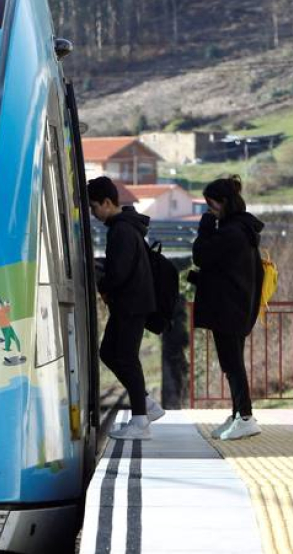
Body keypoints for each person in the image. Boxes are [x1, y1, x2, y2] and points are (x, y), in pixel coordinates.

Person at [87, 176, 165, 441]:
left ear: (107, 202)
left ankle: (141, 420)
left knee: (126, 358)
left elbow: (118, 272)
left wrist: (103, 282)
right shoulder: (128, 227)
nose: (94, 214)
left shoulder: (120, 230)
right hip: (133, 303)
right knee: (109, 352)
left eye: (94, 207)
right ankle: (146, 404)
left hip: (130, 304)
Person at [190, 176, 264, 441]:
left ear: (223, 203)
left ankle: (245, 416)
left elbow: (201, 255)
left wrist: (205, 228)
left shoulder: (231, 232)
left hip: (229, 309)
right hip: (236, 306)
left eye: (212, 206)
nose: (210, 212)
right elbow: (226, 269)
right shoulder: (241, 230)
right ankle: (237, 414)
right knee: (231, 363)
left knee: (232, 364)